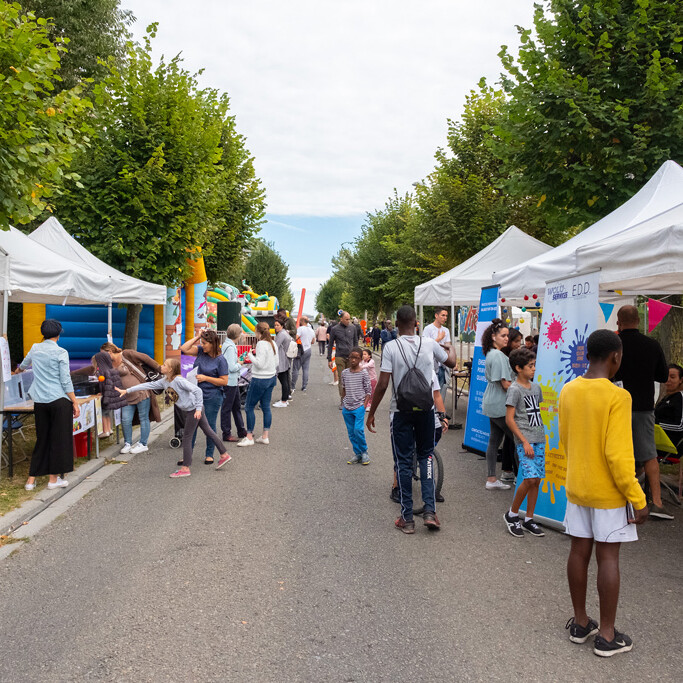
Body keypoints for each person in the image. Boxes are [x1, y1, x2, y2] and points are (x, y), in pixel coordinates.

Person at [560, 329, 648, 657]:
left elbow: (566, 438)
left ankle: (581, 623)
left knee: (578, 552)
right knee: (608, 557)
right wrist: (638, 498)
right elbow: (618, 455)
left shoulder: (568, 390)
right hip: (608, 493)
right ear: (615, 356)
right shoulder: (618, 397)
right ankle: (607, 635)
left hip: (577, 488)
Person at [367, 305, 456, 533]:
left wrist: (372, 412)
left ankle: (407, 519)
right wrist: (451, 347)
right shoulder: (429, 344)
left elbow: (383, 384)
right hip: (425, 410)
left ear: (396, 324)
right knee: (426, 456)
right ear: (416, 324)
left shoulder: (390, 347)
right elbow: (451, 362)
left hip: (401, 412)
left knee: (404, 462)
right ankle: (430, 512)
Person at [118, 358, 231, 477]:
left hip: (194, 410)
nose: (161, 366)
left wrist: (198, 409)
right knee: (208, 431)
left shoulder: (179, 381)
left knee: (187, 437)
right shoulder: (165, 381)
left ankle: (185, 468)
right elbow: (148, 385)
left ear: (170, 369)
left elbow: (198, 391)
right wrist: (127, 390)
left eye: (164, 365)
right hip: (193, 409)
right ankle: (224, 455)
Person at [613, 305, 673, 520]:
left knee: (618, 453)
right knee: (648, 455)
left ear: (618, 322)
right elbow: (663, 376)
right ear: (638, 321)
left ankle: (620, 501)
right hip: (643, 407)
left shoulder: (614, 345)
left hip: (616, 406)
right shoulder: (652, 345)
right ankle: (657, 503)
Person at [20, 319, 81, 492]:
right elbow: (65, 380)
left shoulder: (35, 348)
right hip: (59, 400)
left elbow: (23, 365)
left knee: (42, 438)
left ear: (43, 333)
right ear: (59, 334)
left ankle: (31, 480)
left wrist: (17, 371)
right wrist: (75, 401)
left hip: (40, 400)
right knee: (59, 439)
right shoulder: (61, 352)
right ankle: (53, 480)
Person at [502, 348, 546, 538]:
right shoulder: (514, 389)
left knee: (536, 480)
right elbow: (509, 419)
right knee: (528, 478)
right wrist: (524, 441)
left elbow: (535, 412)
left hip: (539, 438)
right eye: (530, 366)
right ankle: (512, 514)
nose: (534, 369)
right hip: (525, 441)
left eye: (534, 365)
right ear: (518, 368)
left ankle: (529, 518)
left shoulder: (536, 388)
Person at [180, 330, 229, 465]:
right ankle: (187, 455)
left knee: (210, 425)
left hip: (212, 396)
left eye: (205, 343)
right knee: (192, 426)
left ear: (213, 344)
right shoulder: (201, 351)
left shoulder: (221, 360)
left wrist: (206, 378)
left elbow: (224, 381)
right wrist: (198, 336)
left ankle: (209, 454)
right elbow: (184, 348)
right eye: (202, 343)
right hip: (196, 395)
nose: (202, 345)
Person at [481, 319, 514, 490]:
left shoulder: (491, 353)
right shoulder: (498, 356)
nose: (507, 338)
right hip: (501, 404)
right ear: (494, 337)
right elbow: (505, 384)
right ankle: (523, 479)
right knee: (519, 440)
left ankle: (492, 478)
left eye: (507, 335)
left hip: (492, 402)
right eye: (503, 335)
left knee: (494, 441)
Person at [238, 322, 278, 446]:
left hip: (260, 379)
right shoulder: (273, 343)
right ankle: (265, 436)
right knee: (266, 407)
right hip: (271, 377)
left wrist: (250, 355)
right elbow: (276, 362)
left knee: (249, 407)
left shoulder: (261, 344)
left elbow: (259, 364)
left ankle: (249, 436)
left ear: (258, 332)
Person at [341, 347, 372, 465]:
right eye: (351, 357)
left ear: (360, 359)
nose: (353, 360)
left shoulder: (364, 373)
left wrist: (364, 405)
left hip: (359, 406)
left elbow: (368, 391)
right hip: (347, 407)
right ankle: (357, 453)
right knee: (351, 432)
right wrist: (343, 402)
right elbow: (344, 388)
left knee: (358, 430)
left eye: (356, 358)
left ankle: (364, 452)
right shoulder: (345, 373)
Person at [221, 324, 247, 442]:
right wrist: (240, 364)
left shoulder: (227, 345)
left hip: (230, 381)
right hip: (230, 381)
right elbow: (231, 367)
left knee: (235, 406)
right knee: (229, 408)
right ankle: (227, 433)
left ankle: (241, 430)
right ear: (237, 335)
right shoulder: (231, 347)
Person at [327, 311, 359, 403]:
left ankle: (349, 398)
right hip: (340, 356)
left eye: (349, 319)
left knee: (351, 378)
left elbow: (356, 342)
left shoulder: (353, 328)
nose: (348, 321)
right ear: (341, 319)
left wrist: (357, 356)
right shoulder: (335, 329)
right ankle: (343, 399)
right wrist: (329, 359)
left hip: (351, 357)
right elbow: (330, 344)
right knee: (342, 378)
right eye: (346, 319)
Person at [422, 306, 451, 403]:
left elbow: (448, 347)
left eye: (446, 316)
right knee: (431, 392)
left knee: (441, 390)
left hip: (442, 365)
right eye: (443, 315)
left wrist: (451, 362)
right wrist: (439, 339)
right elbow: (425, 347)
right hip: (431, 366)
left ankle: (439, 410)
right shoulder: (428, 329)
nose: (445, 318)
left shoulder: (446, 330)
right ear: (436, 315)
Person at [655, 363, 683, 454]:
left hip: (670, 449)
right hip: (656, 444)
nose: (668, 380)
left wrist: (655, 424)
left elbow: (680, 426)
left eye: (672, 377)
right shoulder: (666, 398)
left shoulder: (680, 397)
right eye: (666, 376)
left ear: (681, 380)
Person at [292, 316, 315, 393]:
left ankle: (293, 386)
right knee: (306, 369)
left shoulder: (300, 329)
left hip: (300, 350)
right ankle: (304, 386)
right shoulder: (311, 330)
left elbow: (295, 338)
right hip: (308, 350)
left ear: (302, 321)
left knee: (296, 369)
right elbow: (313, 342)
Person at [273, 318, 292, 408]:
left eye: (278, 325)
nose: (275, 327)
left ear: (282, 326)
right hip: (285, 359)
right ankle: (285, 399)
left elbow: (275, 346)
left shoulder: (281, 335)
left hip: (281, 359)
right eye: (275, 325)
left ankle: (284, 400)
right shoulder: (285, 333)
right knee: (285, 380)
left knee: (283, 380)